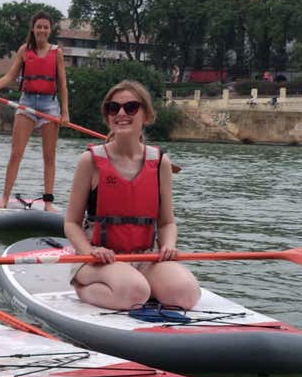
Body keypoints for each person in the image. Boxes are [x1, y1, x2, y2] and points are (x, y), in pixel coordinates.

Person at [64, 80, 200, 311]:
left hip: (145, 258)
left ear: (146, 115)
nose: (121, 113)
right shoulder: (90, 161)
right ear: (107, 116)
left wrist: (168, 245)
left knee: (186, 294)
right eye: (113, 108)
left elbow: (167, 223)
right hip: (98, 260)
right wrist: (90, 252)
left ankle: (140, 287)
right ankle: (82, 287)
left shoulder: (160, 163)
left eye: (131, 107)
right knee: (134, 292)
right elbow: (71, 223)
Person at [0, 11, 69, 211]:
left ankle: (48, 202)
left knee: (49, 157)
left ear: (50, 30)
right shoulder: (24, 50)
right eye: (39, 26)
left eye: (45, 27)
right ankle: (5, 198)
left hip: (50, 105)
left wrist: (65, 113)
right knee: (16, 153)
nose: (42, 30)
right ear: (33, 29)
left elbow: (62, 84)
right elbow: (9, 77)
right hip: (27, 103)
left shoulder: (57, 53)